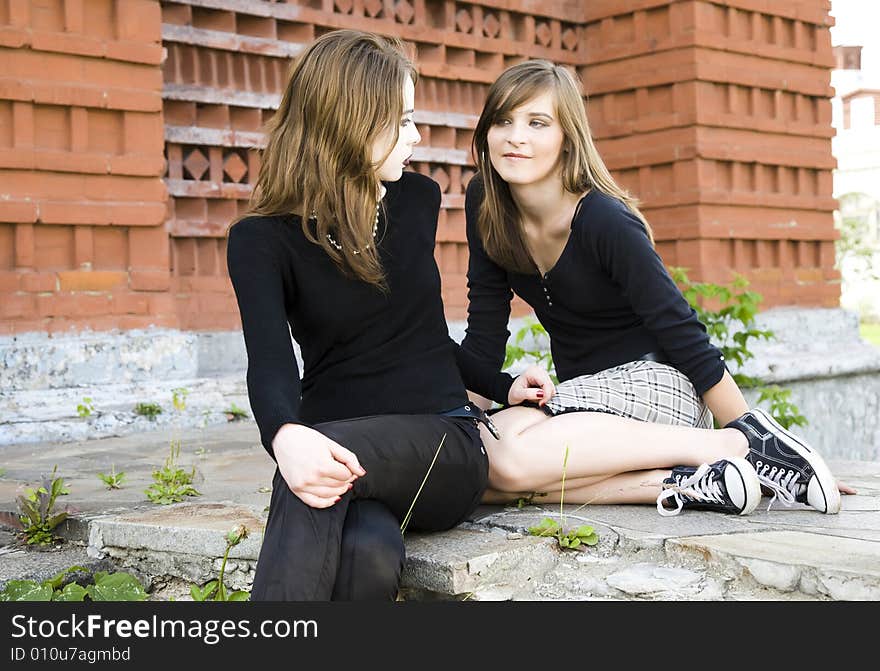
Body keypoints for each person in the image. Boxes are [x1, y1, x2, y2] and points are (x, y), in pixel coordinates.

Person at [454, 59, 853, 517]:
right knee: (474, 466)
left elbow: (681, 330)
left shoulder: (605, 220)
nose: (515, 136)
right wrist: (461, 417)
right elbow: (485, 331)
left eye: (537, 123)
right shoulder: (485, 203)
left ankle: (738, 444)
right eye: (503, 120)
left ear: (567, 140)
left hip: (658, 385)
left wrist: (748, 427)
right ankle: (689, 482)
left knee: (499, 456)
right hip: (587, 399)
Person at [226, 30, 490, 601]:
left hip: (441, 443)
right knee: (368, 553)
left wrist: (503, 384)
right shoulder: (260, 240)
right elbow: (269, 361)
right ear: (346, 120)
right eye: (400, 121)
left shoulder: (416, 200)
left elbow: (418, 336)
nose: (416, 137)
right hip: (337, 455)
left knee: (320, 461)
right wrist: (284, 434)